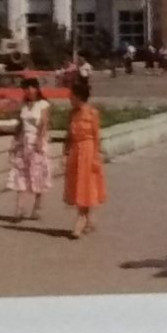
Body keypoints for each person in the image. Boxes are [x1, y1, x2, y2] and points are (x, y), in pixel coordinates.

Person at [63, 80, 107, 239]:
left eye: (72, 95)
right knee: (78, 186)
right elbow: (68, 135)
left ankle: (80, 220)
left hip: (88, 151)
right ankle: (89, 219)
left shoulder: (92, 113)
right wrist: (65, 153)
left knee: (86, 185)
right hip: (76, 151)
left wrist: (96, 155)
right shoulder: (72, 114)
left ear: (79, 96)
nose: (69, 98)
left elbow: (96, 136)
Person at [7, 78, 52, 221]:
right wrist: (14, 141)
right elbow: (20, 125)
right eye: (26, 88)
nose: (29, 91)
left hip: (36, 140)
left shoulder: (43, 104)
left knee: (37, 173)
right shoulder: (24, 106)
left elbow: (44, 123)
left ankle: (37, 206)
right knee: (21, 172)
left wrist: (40, 139)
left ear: (37, 89)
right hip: (24, 140)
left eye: (32, 88)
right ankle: (19, 208)